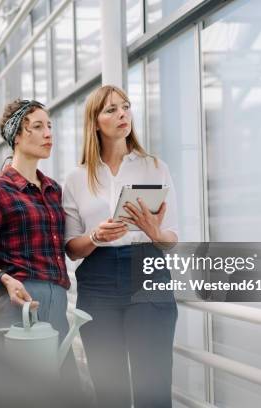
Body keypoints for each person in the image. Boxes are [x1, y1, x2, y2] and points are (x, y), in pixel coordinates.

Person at [63, 85, 179, 407]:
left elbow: (173, 238)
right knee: (109, 389)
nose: (122, 114)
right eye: (111, 109)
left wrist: (155, 232)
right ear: (95, 122)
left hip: (147, 270)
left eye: (125, 107)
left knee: (152, 387)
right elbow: (72, 248)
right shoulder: (76, 178)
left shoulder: (155, 167)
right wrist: (96, 237)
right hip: (97, 280)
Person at [0, 99, 76, 374]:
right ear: (17, 136)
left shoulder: (53, 190)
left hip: (56, 304)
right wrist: (5, 279)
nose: (48, 134)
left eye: (49, 126)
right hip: (13, 304)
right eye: (37, 126)